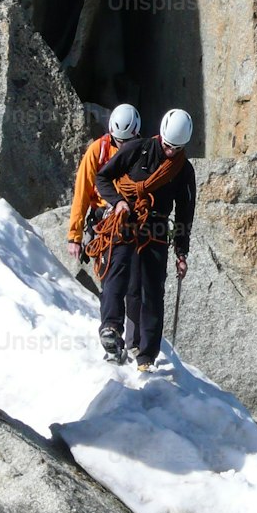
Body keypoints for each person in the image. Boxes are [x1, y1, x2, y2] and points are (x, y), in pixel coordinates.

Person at [90, 107, 196, 371]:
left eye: (177, 148)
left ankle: (146, 354)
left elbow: (185, 213)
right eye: (169, 146)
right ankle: (111, 328)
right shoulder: (137, 150)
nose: (171, 152)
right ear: (161, 137)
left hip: (157, 228)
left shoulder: (183, 170)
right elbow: (102, 177)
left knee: (152, 290)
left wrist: (181, 253)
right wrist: (116, 203)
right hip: (126, 220)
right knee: (117, 271)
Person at [67, 103, 144, 349]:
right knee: (112, 277)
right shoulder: (97, 151)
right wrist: (75, 236)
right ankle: (111, 329)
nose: (121, 146)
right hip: (106, 223)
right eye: (117, 140)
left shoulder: (144, 151)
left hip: (136, 222)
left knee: (136, 283)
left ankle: (134, 341)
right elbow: (82, 192)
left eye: (125, 141)